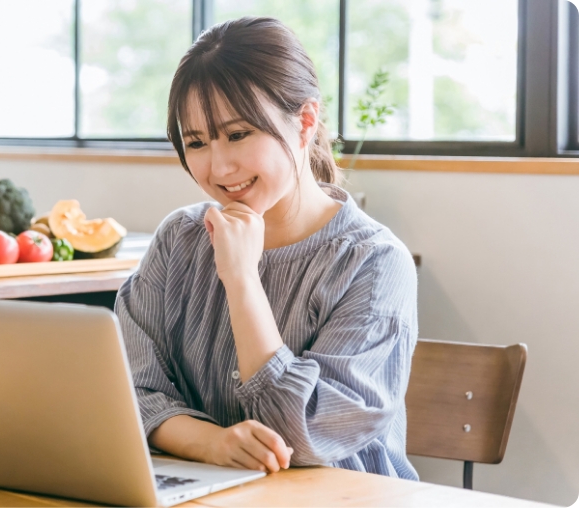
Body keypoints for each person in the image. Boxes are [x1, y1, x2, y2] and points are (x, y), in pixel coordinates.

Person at [115, 17, 418, 480]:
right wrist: (210, 443)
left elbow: (301, 434)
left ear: (305, 122)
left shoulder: (374, 263)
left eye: (238, 134)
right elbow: (124, 387)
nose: (218, 166)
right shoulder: (179, 239)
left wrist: (241, 280)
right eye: (196, 142)